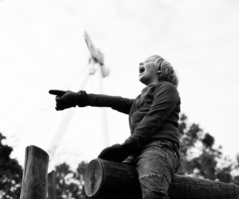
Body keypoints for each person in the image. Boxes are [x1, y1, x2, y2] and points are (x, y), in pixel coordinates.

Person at [49, 55, 181, 199]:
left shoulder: (167, 89)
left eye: (146, 61)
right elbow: (113, 101)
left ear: (160, 70)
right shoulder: (140, 100)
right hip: (137, 150)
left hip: (159, 148)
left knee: (153, 193)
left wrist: (128, 145)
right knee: (114, 188)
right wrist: (79, 98)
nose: (140, 63)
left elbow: (153, 118)